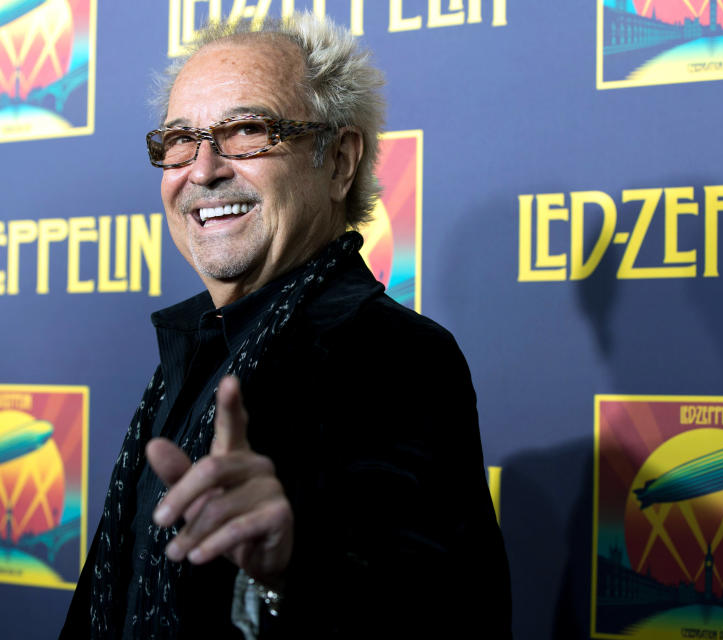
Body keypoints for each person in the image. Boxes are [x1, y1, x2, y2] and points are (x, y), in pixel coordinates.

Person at [62, 13, 511, 639]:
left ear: (339, 163)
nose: (203, 169)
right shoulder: (196, 351)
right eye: (180, 140)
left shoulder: (393, 355)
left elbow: (442, 609)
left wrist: (294, 564)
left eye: (248, 131)